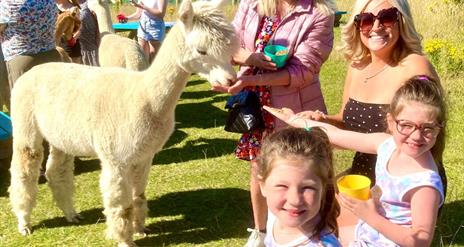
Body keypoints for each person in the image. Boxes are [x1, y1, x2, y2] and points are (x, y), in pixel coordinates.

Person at [264, 75, 446, 246]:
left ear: (439, 128)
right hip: (369, 234)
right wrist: (294, 120)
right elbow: (336, 135)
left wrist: (370, 216)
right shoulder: (387, 145)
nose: (416, 135)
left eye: (427, 128)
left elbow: (421, 241)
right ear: (391, 121)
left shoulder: (424, 183)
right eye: (406, 125)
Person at [213, 0, 336, 245]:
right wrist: (250, 59)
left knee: (303, 172)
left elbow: (303, 71)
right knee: (260, 168)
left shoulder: (320, 14)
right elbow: (230, 43)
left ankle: (311, 234)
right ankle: (261, 232)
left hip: (294, 110)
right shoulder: (254, 3)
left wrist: (251, 78)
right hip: (256, 104)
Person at [296, 0, 439, 184]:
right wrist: (321, 120)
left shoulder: (415, 66)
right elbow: (349, 122)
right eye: (366, 20)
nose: (376, 27)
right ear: (357, 26)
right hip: (363, 174)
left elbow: (426, 133)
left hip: (405, 177)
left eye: (387, 18)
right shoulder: (357, 66)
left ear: (401, 22)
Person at [257, 127, 341, 246]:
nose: (295, 200)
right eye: (282, 186)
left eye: (308, 187)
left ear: (323, 189)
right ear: (263, 186)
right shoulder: (275, 215)